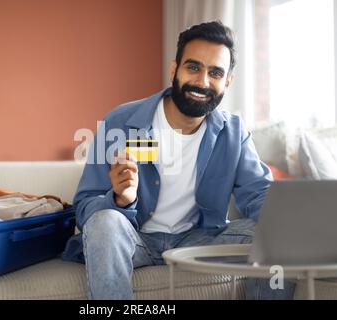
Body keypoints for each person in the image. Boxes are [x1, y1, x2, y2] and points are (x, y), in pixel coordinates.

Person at [63, 20, 294, 300]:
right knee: (104, 222)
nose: (202, 81)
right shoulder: (121, 122)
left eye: (215, 73)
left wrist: (296, 223)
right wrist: (120, 200)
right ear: (175, 69)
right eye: (193, 67)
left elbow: (260, 196)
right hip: (135, 240)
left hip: (200, 240)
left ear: (227, 82)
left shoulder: (233, 132)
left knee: (279, 228)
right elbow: (85, 207)